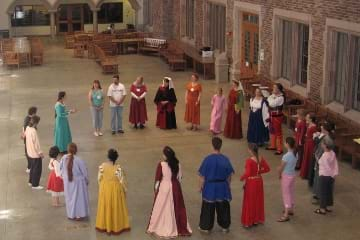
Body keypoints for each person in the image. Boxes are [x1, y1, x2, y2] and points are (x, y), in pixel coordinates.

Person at [147, 146, 192, 238]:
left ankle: (161, 225)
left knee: (162, 207)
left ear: (165, 156)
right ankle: (176, 226)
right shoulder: (177, 164)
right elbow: (180, 177)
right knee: (176, 207)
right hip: (175, 188)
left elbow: (158, 179)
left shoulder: (161, 164)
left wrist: (156, 190)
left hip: (164, 188)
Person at [198, 137, 234, 233]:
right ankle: (225, 226)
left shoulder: (207, 159)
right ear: (220, 146)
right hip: (222, 187)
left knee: (208, 208)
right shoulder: (225, 159)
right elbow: (229, 175)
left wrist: (200, 186)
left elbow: (202, 176)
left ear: (212, 146)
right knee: (223, 207)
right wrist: (228, 185)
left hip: (210, 187)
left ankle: (206, 227)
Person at [96, 149, 130, 235]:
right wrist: (125, 190)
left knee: (105, 207)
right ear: (116, 158)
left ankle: (105, 225)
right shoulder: (118, 168)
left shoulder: (102, 166)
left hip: (105, 189)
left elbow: (99, 178)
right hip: (115, 190)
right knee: (115, 207)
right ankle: (116, 226)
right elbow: (122, 181)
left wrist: (102, 186)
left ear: (108, 157)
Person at [240, 143, 270, 228]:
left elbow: (248, 173)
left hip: (251, 182)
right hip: (259, 181)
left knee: (250, 201)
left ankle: (249, 221)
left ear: (250, 150)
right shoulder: (260, 158)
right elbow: (267, 169)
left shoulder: (249, 161)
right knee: (258, 200)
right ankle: (256, 220)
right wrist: (259, 172)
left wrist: (242, 178)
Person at [60, 143, 90, 220]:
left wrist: (64, 177)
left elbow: (61, 170)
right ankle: (79, 215)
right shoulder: (79, 160)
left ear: (68, 150)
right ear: (76, 150)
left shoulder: (63, 158)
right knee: (79, 199)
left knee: (69, 198)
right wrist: (86, 180)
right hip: (78, 183)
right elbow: (84, 172)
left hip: (67, 182)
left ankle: (71, 214)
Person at [308, 121, 335, 202]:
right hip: (321, 161)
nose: (321, 129)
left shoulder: (326, 139)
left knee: (320, 181)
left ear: (326, 130)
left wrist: (317, 158)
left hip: (322, 163)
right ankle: (318, 195)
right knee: (317, 179)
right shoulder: (326, 137)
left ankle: (320, 198)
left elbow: (321, 151)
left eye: (322, 128)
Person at [314, 136, 338, 215]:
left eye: (322, 143)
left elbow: (324, 166)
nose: (321, 144)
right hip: (331, 177)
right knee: (328, 192)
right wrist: (334, 174)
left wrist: (317, 159)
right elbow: (335, 164)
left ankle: (322, 209)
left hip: (324, 176)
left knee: (322, 192)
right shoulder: (332, 153)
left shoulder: (325, 155)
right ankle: (326, 206)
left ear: (325, 145)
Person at [277, 137, 297, 222]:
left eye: (285, 142)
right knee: (291, 192)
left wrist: (279, 173)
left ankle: (285, 214)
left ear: (287, 145)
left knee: (286, 194)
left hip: (286, 176)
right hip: (292, 175)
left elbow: (281, 167)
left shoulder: (286, 156)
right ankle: (291, 209)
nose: (284, 143)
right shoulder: (296, 154)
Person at [25, 115, 44, 190]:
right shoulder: (33, 131)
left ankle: (30, 181)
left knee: (32, 168)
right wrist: (40, 153)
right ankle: (35, 185)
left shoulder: (27, 128)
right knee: (37, 169)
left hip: (29, 152)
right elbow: (36, 144)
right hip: (35, 154)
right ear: (36, 123)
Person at [266, 83, 285, 155]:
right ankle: (273, 145)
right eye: (273, 87)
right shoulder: (273, 95)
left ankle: (279, 149)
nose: (273, 89)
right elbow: (268, 100)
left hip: (277, 117)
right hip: (271, 116)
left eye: (275, 88)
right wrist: (270, 99)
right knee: (271, 131)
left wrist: (270, 99)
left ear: (278, 89)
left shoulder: (281, 97)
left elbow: (272, 104)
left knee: (278, 132)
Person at [300, 113, 317, 179]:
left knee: (308, 158)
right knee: (305, 157)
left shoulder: (314, 126)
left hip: (310, 144)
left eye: (307, 117)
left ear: (311, 119)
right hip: (307, 142)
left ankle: (308, 174)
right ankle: (304, 173)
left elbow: (315, 136)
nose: (306, 117)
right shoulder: (308, 124)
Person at [21, 106, 37, 173]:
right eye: (35, 113)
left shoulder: (26, 118)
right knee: (29, 153)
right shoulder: (30, 120)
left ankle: (29, 166)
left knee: (28, 152)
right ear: (33, 113)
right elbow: (26, 129)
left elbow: (23, 128)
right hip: (29, 140)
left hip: (27, 139)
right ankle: (29, 167)